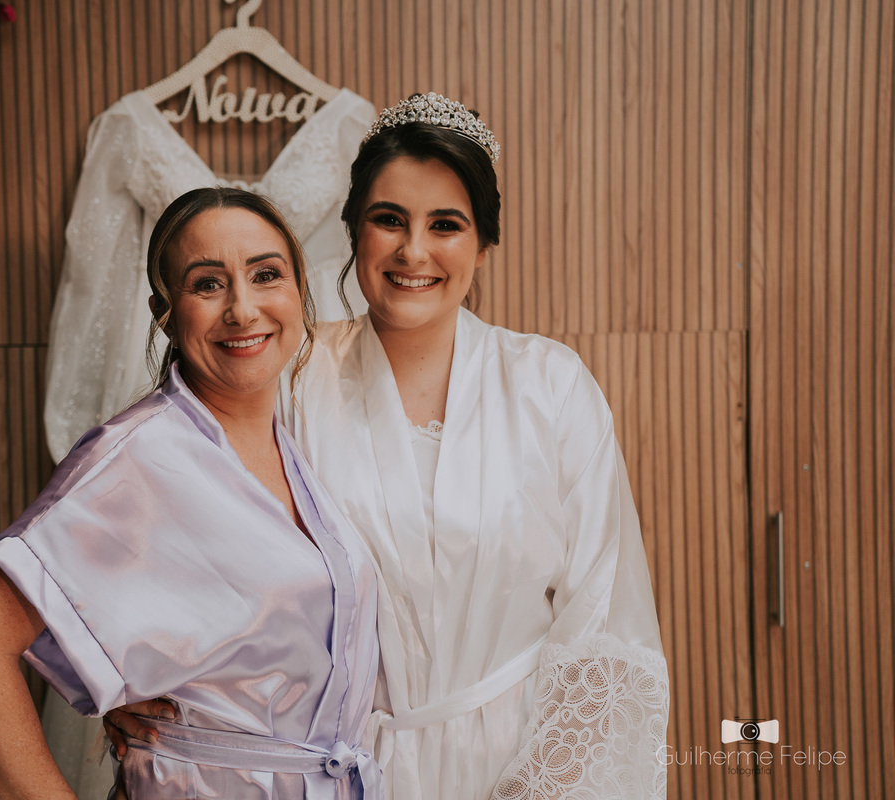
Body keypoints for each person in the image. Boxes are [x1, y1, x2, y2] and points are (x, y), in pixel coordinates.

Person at [107, 93, 669, 800]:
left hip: (524, 762)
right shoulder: (286, 379)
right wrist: (132, 671)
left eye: (446, 225)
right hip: (334, 768)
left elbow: (602, 630)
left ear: (483, 244)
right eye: (389, 220)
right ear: (353, 231)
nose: (414, 251)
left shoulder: (551, 386)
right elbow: (188, 547)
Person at [0, 187, 382, 799]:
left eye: (266, 275)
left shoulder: (293, 442)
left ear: (299, 291)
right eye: (207, 285)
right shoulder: (138, 456)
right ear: (165, 313)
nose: (243, 309)